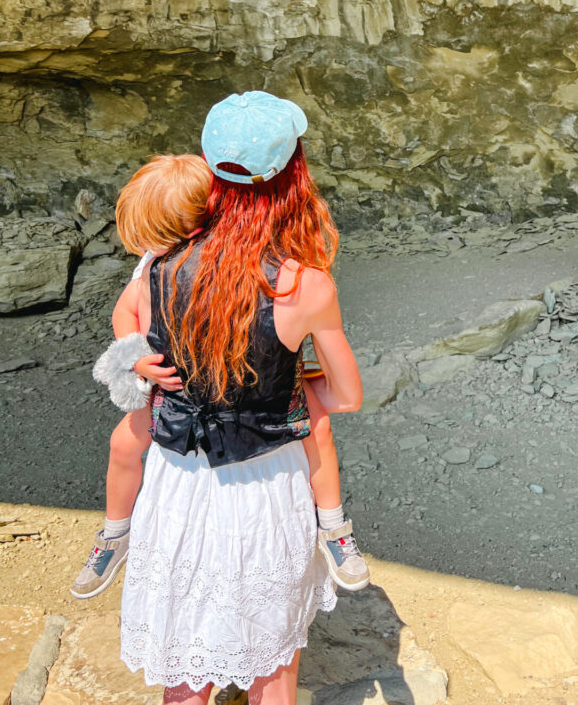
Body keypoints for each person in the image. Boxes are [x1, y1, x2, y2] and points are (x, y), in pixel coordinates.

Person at [120, 91, 364, 703]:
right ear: (292, 174)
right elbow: (348, 395)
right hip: (264, 480)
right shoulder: (304, 283)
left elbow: (129, 331)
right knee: (273, 669)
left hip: (176, 475)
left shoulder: (160, 259)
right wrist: (297, 383)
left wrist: (139, 361)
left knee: (186, 669)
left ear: (208, 164)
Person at [70, 154, 213, 598]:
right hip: (167, 386)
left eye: (152, 237)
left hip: (223, 392)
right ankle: (115, 533)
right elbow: (124, 311)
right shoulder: (153, 262)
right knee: (123, 445)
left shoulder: (215, 260)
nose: (147, 247)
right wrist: (135, 359)